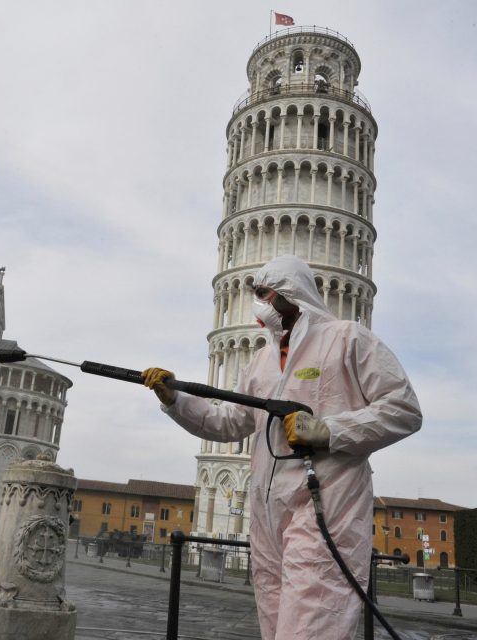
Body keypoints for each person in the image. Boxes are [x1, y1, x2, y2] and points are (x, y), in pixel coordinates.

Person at [143, 255, 421, 640]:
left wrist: (327, 430)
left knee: (311, 622)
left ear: (291, 293)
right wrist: (175, 399)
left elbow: (403, 410)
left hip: (325, 503)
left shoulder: (348, 339)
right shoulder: (261, 362)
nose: (258, 303)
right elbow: (230, 422)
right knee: (275, 626)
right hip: (267, 514)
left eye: (263, 292)